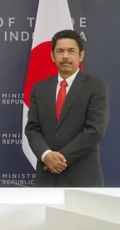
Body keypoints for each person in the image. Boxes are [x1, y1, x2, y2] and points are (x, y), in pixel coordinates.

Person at [25, 29, 109, 187]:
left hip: (83, 176)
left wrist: (60, 159)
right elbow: (32, 129)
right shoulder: (39, 88)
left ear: (81, 55)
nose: (65, 56)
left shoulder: (95, 87)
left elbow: (95, 130)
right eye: (60, 51)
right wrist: (47, 156)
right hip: (47, 176)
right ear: (52, 56)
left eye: (71, 51)